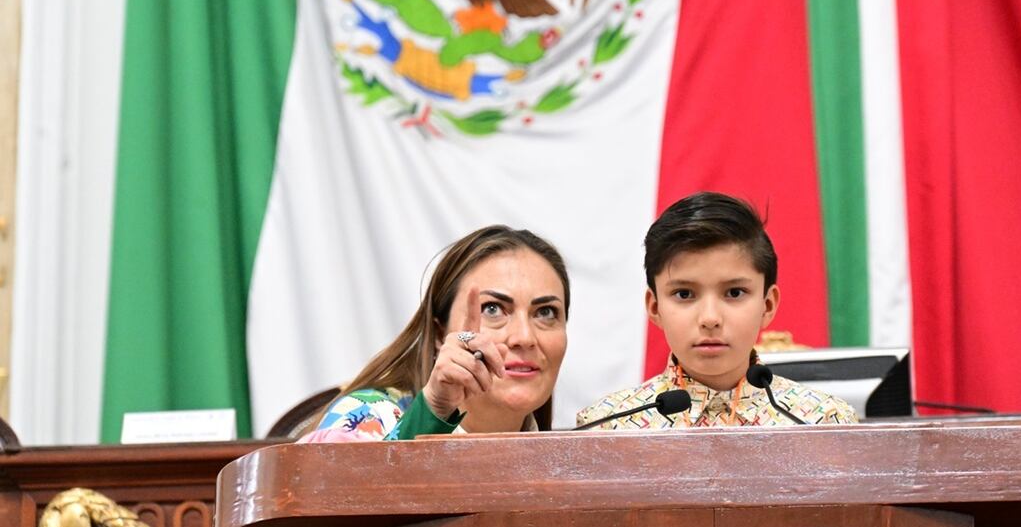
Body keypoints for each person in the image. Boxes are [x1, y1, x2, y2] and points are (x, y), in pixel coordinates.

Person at [577, 192, 857, 429]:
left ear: (767, 304)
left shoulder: (826, 423)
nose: (710, 318)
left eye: (734, 293)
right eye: (684, 294)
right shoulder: (607, 426)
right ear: (654, 307)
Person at [298, 225, 570, 443]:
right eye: (493, 308)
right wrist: (433, 410)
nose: (524, 336)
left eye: (545, 313)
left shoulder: (572, 460)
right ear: (441, 334)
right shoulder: (364, 414)